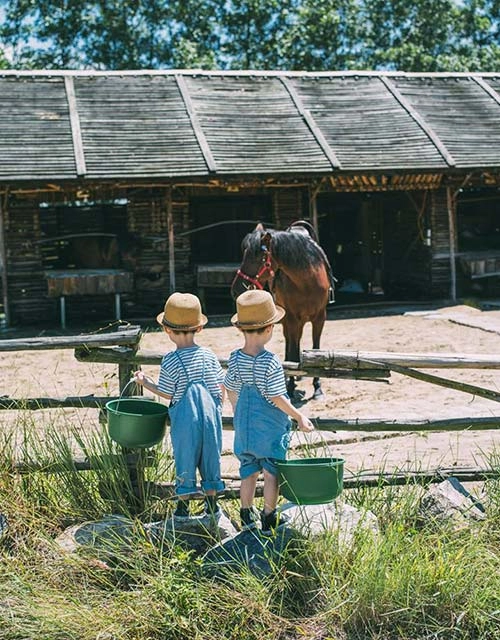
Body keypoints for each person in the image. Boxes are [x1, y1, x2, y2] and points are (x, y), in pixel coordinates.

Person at [224, 290, 315, 532]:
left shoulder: (235, 358)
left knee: (248, 469)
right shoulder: (270, 361)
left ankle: (245, 515)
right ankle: (268, 515)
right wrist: (299, 415)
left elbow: (231, 389)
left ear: (241, 329)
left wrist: (238, 414)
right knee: (271, 469)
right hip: (269, 427)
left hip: (244, 423)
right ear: (269, 329)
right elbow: (276, 397)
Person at [133, 292, 225, 519]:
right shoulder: (209, 355)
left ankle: (182, 508)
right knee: (211, 458)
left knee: (185, 458)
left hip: (185, 420)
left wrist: (145, 382)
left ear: (167, 330)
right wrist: (217, 408)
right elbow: (219, 387)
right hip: (211, 417)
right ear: (199, 328)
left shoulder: (171, 359)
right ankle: (212, 505)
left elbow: (166, 391)